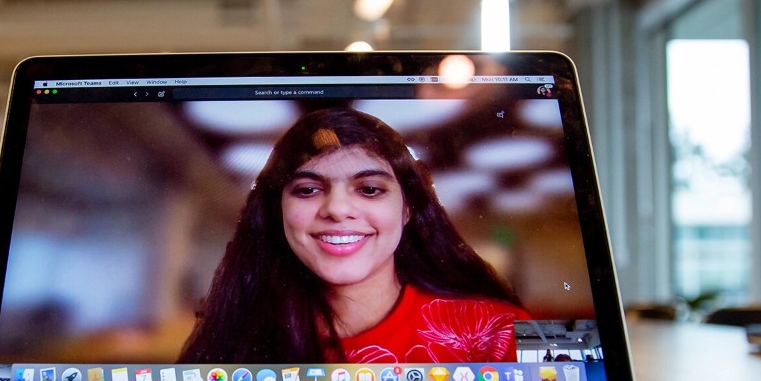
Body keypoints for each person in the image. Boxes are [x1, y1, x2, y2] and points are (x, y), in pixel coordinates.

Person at [179, 107, 529, 365]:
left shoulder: (498, 332)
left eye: (370, 189)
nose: (337, 209)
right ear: (278, 213)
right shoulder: (236, 337)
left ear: (407, 210)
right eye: (307, 190)